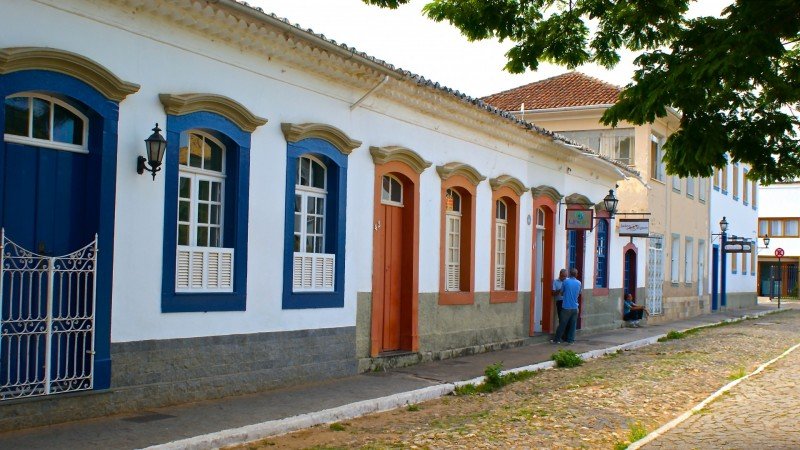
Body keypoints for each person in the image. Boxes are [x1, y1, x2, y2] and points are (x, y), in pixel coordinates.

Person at [553, 268, 581, 344]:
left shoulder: (565, 282)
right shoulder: (579, 282)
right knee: (573, 325)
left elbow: (561, 293)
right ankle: (570, 340)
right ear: (576, 274)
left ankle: (557, 339)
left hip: (566, 307)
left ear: (569, 274)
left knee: (562, 324)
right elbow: (579, 293)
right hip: (575, 307)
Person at [551, 269, 568, 341]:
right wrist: (560, 290)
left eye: (565, 276)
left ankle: (566, 336)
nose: (564, 278)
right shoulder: (555, 282)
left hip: (567, 302)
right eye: (563, 276)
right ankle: (560, 337)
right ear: (560, 275)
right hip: (560, 302)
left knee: (567, 320)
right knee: (561, 320)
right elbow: (553, 293)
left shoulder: (568, 281)